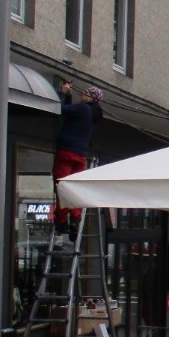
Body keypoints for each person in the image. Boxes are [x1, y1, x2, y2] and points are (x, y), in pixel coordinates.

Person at [52, 80, 103, 238]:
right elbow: (71, 112)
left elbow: (60, 109)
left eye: (86, 93)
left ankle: (61, 221)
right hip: (80, 154)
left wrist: (63, 93)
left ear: (92, 98)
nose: (83, 94)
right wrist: (69, 96)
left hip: (66, 151)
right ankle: (75, 219)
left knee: (61, 187)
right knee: (73, 188)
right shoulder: (92, 114)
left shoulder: (82, 109)